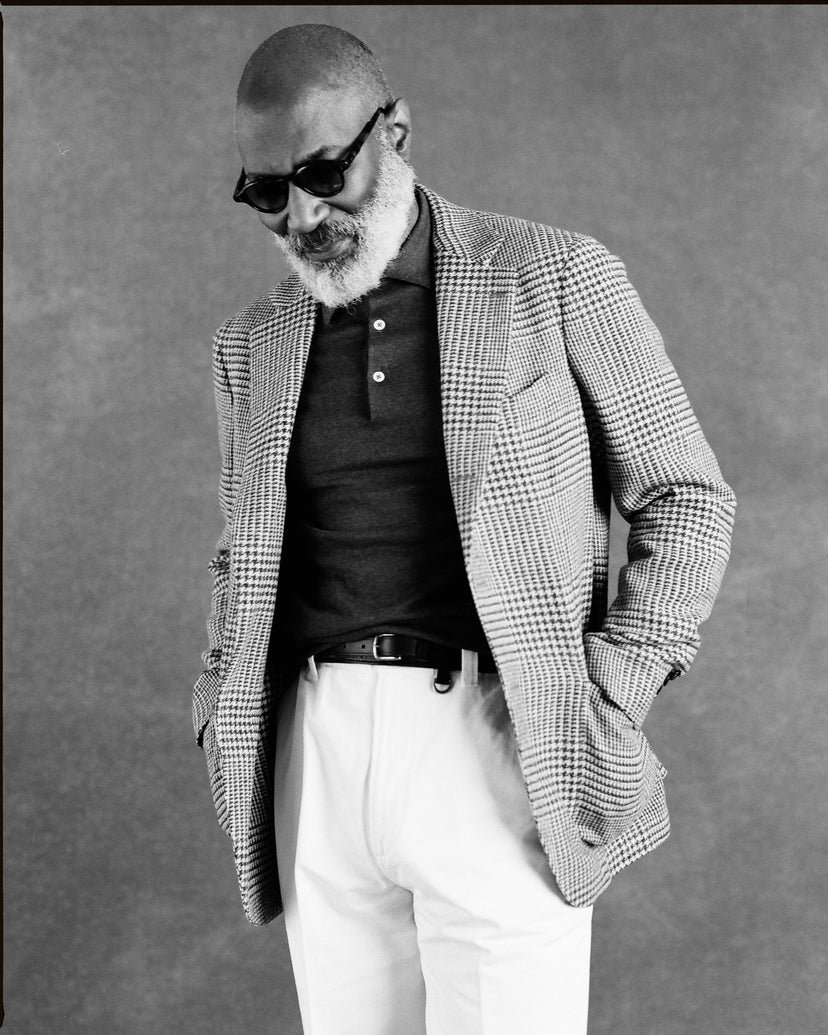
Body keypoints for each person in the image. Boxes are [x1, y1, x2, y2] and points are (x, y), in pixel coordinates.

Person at [193, 23, 736, 1034]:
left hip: (497, 739)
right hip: (316, 754)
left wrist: (606, 694)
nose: (302, 215)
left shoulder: (555, 275)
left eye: (323, 174)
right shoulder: (250, 342)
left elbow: (685, 495)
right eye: (266, 192)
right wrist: (219, 703)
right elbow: (243, 551)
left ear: (395, 132)